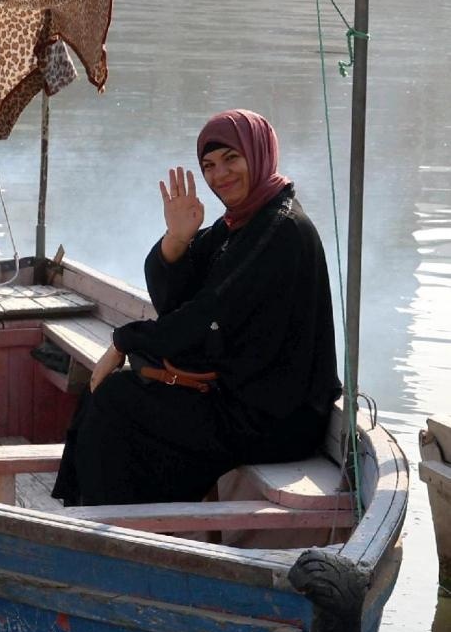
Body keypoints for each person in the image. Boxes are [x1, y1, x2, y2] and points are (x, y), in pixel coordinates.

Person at [53, 109, 341, 506]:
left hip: (276, 419)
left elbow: (206, 314)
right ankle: (91, 514)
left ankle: (102, 523)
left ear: (259, 155)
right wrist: (176, 239)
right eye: (209, 166)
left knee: (116, 401)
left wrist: (123, 342)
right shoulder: (238, 224)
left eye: (231, 159)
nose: (220, 175)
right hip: (237, 400)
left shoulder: (280, 228)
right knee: (109, 393)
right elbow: (175, 302)